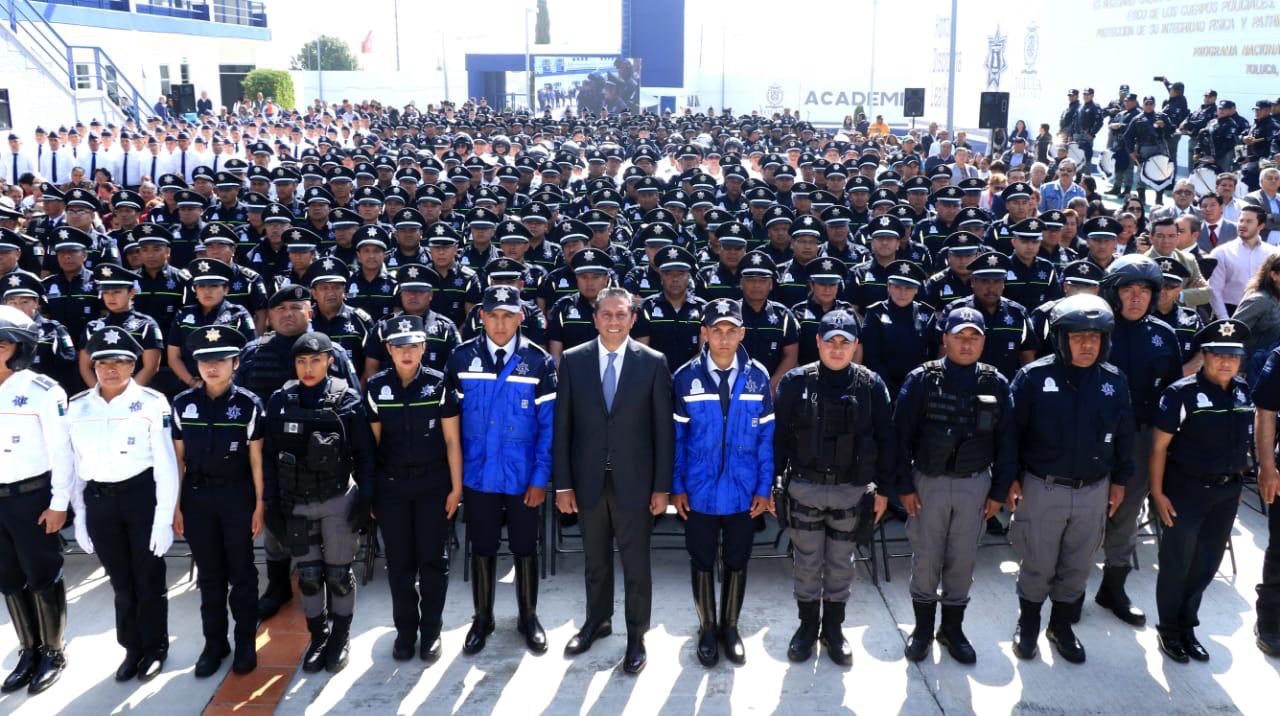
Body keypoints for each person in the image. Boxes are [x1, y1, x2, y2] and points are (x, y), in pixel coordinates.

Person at [1007, 294, 1134, 664]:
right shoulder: (1033, 378)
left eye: (1094, 338)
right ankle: (1028, 625)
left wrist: (1121, 481)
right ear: (1060, 339)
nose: (1086, 344)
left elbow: (1125, 435)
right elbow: (1011, 434)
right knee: (1038, 563)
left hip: (1094, 489)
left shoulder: (1114, 380)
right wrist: (1011, 479)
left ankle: (1061, 627)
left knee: (1078, 566)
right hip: (1043, 487)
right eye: (1077, 337)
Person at [554, 287, 674, 675]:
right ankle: (597, 622)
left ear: (632, 319)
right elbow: (563, 428)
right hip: (588, 480)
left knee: (637, 564)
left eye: (621, 315)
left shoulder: (653, 362)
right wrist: (563, 484)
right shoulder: (573, 360)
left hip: (635, 482)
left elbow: (663, 432)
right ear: (595, 318)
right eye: (606, 314)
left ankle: (636, 635)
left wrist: (661, 487)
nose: (613, 321)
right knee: (595, 561)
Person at [894, 307, 1015, 664]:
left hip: (975, 485)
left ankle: (952, 629)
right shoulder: (921, 380)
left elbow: (1008, 443)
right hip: (928, 483)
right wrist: (904, 486)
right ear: (945, 338)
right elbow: (899, 438)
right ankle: (922, 630)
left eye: (973, 337)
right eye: (959, 336)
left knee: (962, 560)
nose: (966, 344)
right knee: (927, 559)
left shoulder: (995, 382)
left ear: (983, 341)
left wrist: (998, 493)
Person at [773, 311, 893, 666]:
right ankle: (808, 628)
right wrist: (772, 484)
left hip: (850, 490)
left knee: (841, 563)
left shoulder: (871, 385)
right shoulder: (796, 382)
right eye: (831, 342)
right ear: (818, 343)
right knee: (807, 564)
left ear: (856, 345)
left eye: (845, 342)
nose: (837, 349)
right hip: (806, 486)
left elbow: (888, 440)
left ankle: (834, 631)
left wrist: (884, 489)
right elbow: (778, 439)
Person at [446, 286, 555, 657]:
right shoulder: (461, 358)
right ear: (481, 317)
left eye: (508, 315)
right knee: (483, 546)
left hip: (524, 477)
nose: (500, 323)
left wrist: (541, 479)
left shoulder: (538, 361)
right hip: (478, 477)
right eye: (492, 315)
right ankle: (483, 618)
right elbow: (451, 424)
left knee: (526, 546)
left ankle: (528, 616)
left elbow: (548, 428)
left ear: (521, 317)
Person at [68, 326, 178, 681]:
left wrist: (163, 519)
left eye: (120, 362)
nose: (110, 369)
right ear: (93, 367)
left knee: (148, 579)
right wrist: (80, 516)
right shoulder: (78, 407)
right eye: (103, 363)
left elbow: (165, 464)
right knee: (120, 582)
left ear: (134, 366)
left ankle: (156, 647)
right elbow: (74, 468)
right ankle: (131, 649)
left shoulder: (151, 403)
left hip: (140, 498)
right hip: (101, 502)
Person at [261, 331, 375, 674]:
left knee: (338, 575)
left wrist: (366, 498)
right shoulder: (281, 400)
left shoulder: (348, 400)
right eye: (301, 361)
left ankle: (340, 637)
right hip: (294, 503)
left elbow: (365, 454)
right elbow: (268, 456)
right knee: (309, 577)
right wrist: (270, 504)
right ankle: (319, 637)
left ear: (329, 361)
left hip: (336, 500)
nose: (308, 368)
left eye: (315, 360)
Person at [671, 298, 775, 667]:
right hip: (698, 490)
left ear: (742, 333)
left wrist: (765, 488)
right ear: (705, 333)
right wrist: (677, 486)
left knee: (736, 558)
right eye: (717, 330)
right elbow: (677, 440)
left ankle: (730, 627)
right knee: (701, 558)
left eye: (732, 331)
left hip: (743, 491)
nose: (724, 338)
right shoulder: (684, 377)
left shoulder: (758, 376)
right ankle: (707, 627)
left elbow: (765, 439)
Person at [1149, 319, 1253, 663]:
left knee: (1207, 564)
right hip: (1185, 491)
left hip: (1225, 493)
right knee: (1177, 563)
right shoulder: (1182, 393)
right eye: (1218, 355)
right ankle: (1169, 629)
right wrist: (1157, 493)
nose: (1226, 362)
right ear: (1204, 356)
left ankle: (1187, 626)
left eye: (1233, 356)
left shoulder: (1242, 392)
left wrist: (1235, 481)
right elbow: (1159, 447)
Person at [1092, 255, 1182, 627]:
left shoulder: (1164, 335)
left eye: (1144, 291)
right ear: (1113, 293)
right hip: (1093, 434)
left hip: (1142, 436)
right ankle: (1064, 588)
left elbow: (1174, 393)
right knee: (1082, 511)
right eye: (1127, 290)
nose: (1136, 298)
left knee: (1126, 513)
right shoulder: (1094, 329)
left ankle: (1113, 586)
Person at [366, 315, 463, 662]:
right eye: (398, 347)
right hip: (391, 487)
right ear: (389, 349)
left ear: (423, 348)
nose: (406, 353)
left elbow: (452, 441)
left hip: (433, 485)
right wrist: (372, 493)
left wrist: (456, 489)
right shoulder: (376, 388)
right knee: (400, 563)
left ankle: (431, 631)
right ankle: (405, 632)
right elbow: (372, 448)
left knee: (433, 562)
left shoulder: (438, 385)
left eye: (413, 346)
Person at [170, 325, 263, 677]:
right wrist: (176, 506)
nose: (212, 367)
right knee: (209, 576)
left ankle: (245, 644)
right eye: (205, 360)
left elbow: (257, 460)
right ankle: (214, 643)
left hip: (237, 496)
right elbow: (178, 459)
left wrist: (259, 505)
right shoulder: (183, 404)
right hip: (197, 497)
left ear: (236, 362)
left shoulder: (248, 405)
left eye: (220, 360)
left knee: (241, 573)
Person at [0, 306, 72, 695]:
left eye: (2, 344)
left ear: (20, 347)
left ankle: (53, 651)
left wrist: (59, 503)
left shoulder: (41, 390)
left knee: (42, 575)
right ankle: (28, 650)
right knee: (8, 579)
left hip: (31, 498)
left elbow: (61, 452)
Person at [1209, 206, 1278, 320]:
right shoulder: (1221, 253)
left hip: (1264, 314)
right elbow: (1214, 290)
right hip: (1229, 311)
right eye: (1241, 220)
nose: (1242, 225)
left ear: (1260, 226)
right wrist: (1225, 319)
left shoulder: (1272, 253)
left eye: (1249, 221)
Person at [1233, 253, 1280, 362]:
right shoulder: (1259, 300)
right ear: (1274, 275)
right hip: (1248, 371)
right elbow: (1232, 334)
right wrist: (1239, 369)